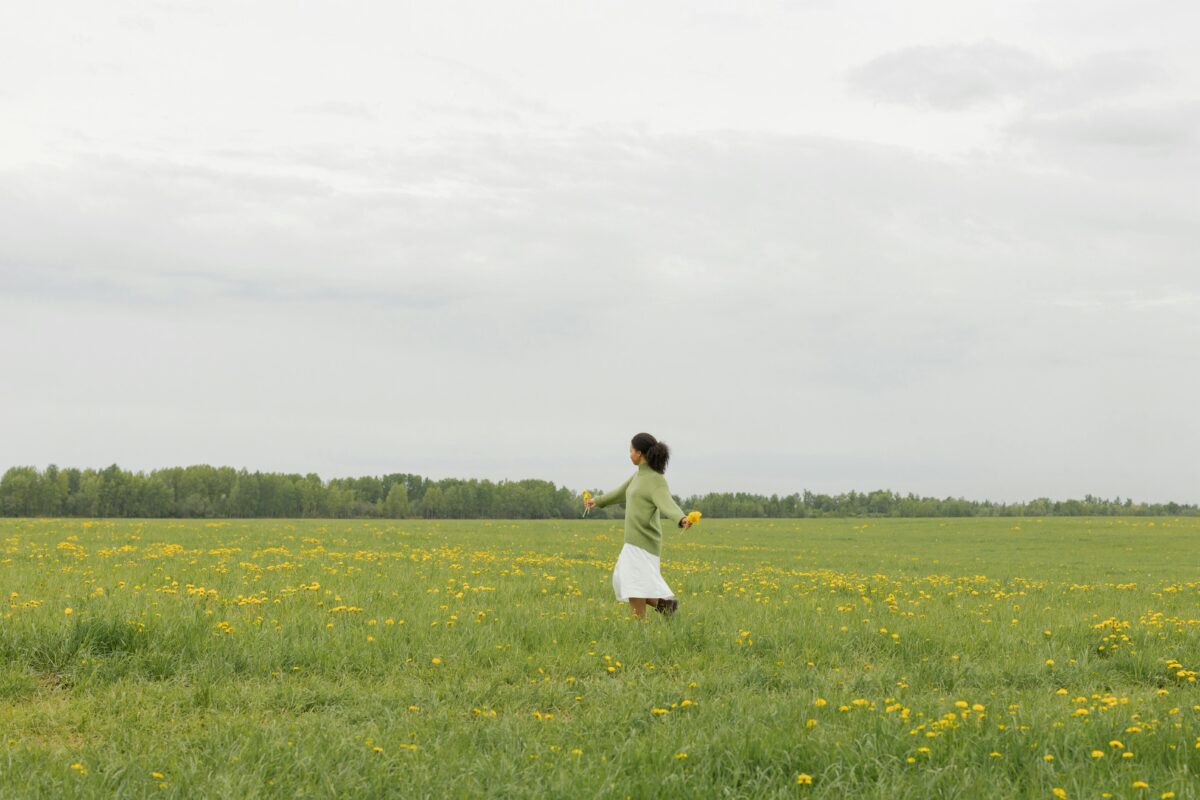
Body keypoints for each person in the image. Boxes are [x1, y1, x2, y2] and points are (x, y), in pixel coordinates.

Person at [584, 432, 692, 618]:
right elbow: (620, 492)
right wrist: (597, 501)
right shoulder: (637, 477)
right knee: (627, 581)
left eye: (631, 450)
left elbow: (667, 503)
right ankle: (664, 606)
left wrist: (681, 518)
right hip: (633, 541)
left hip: (644, 542)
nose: (629, 454)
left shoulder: (656, 480)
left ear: (640, 453)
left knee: (632, 584)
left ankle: (642, 624)